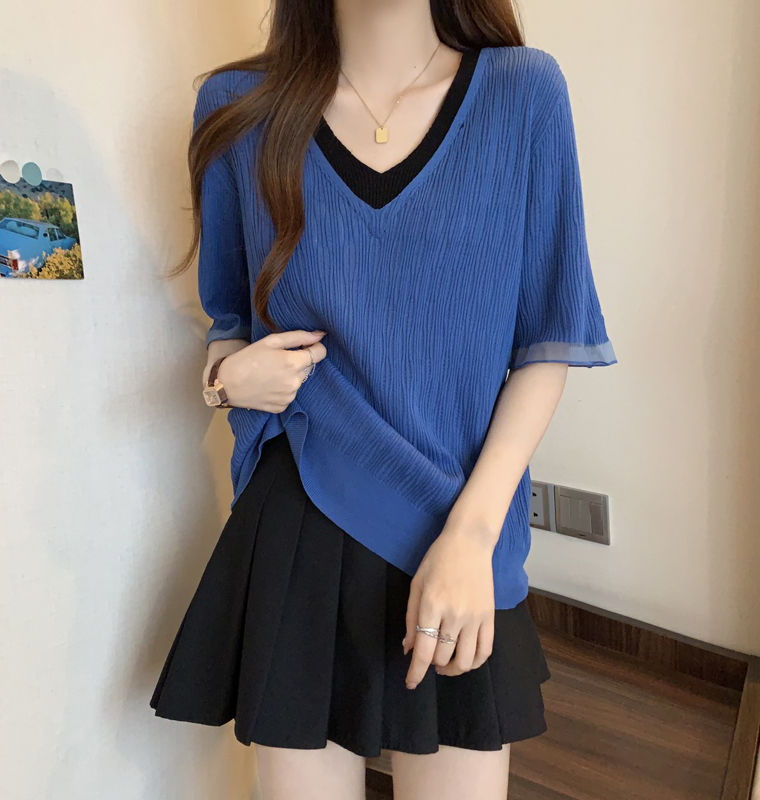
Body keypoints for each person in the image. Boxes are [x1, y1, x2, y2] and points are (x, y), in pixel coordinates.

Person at [150, 1, 617, 798]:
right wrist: (226, 380)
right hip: (301, 517)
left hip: (461, 525)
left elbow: (547, 341)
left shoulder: (522, 93)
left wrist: (471, 536)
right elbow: (229, 324)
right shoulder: (240, 108)